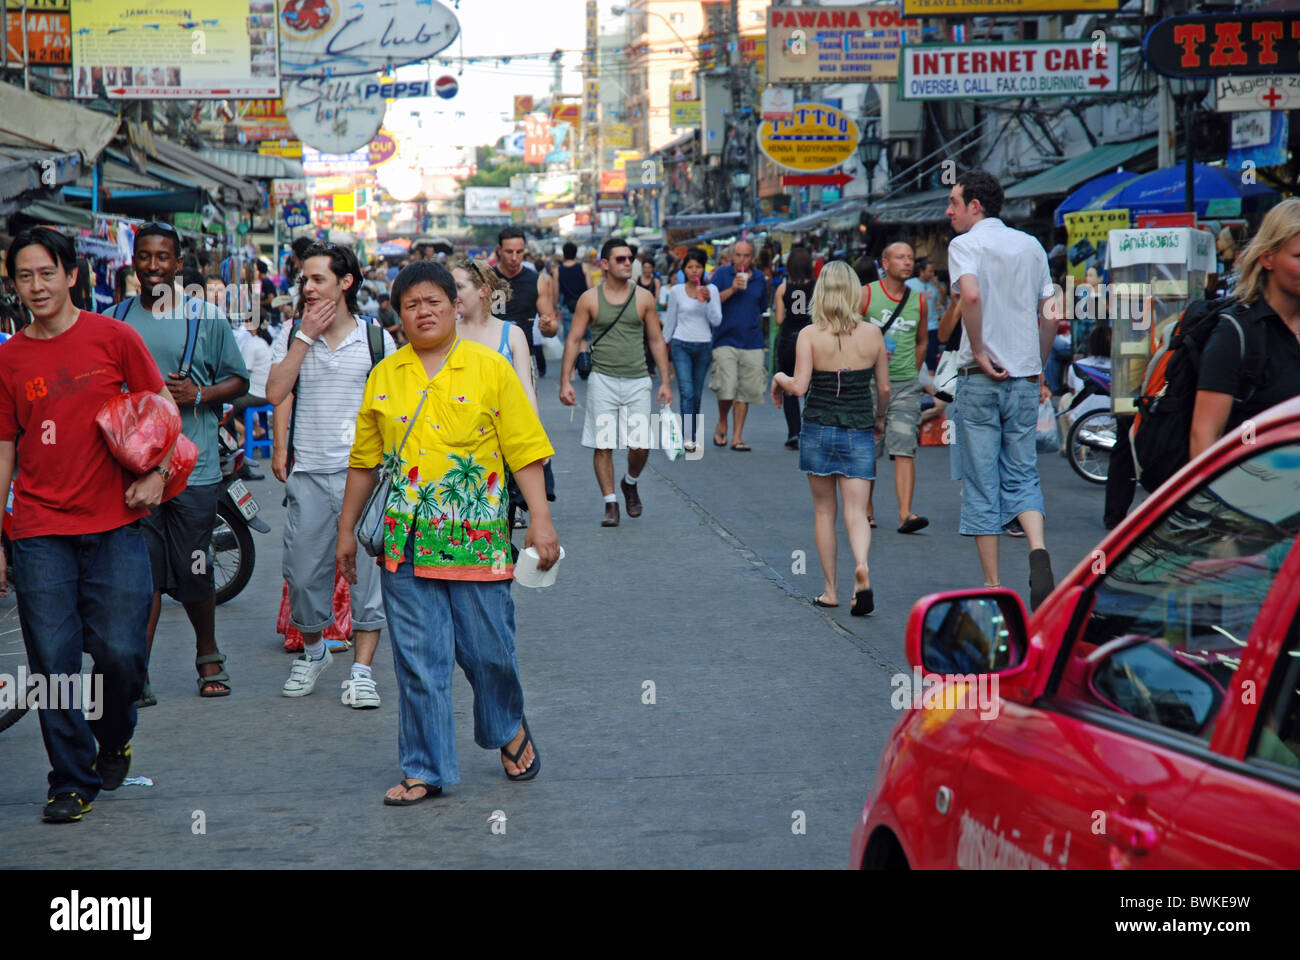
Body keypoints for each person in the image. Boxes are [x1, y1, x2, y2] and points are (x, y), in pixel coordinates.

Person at [336, 260, 560, 804]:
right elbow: (366, 461)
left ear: (454, 304)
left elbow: (524, 449)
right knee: (419, 659)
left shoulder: (489, 368)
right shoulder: (385, 376)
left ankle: (506, 725)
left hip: (476, 539)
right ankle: (425, 768)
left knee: (489, 653)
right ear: (397, 315)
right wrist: (346, 534)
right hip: (404, 542)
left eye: (433, 301)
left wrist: (541, 520)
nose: (424, 312)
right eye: (411, 305)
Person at [0, 227, 175, 822]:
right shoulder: (9, 358)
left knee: (121, 654)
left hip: (115, 524)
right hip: (39, 529)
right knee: (54, 661)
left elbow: (161, 409)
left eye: (46, 272)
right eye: (24, 276)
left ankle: (115, 735)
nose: (36, 286)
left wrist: (157, 476)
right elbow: (3, 449)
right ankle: (70, 779)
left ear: (72, 275)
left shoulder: (114, 337)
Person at [117, 221, 249, 704]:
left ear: (177, 263)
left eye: (163, 257)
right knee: (143, 575)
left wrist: (201, 394)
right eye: (145, 256)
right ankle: (138, 671)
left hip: (192, 471)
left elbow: (239, 381)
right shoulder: (114, 320)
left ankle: (208, 654)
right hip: (132, 471)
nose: (153, 266)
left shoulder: (205, 317)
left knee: (196, 568)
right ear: (134, 260)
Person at [266, 243, 397, 708]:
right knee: (302, 577)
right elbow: (276, 391)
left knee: (364, 581)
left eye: (317, 279)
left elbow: (394, 408)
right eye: (304, 280)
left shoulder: (377, 339)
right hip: (310, 475)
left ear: (345, 283)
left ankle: (362, 672)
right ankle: (315, 650)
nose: (307, 287)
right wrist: (304, 336)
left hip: (364, 477)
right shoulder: (291, 334)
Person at [945, 170, 1057, 608]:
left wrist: (978, 348)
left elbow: (969, 297)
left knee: (980, 481)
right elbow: (1051, 311)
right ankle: (1037, 550)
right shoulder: (1031, 245)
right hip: (1024, 378)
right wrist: (1037, 365)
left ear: (977, 206)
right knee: (1023, 472)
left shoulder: (965, 245)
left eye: (955, 202)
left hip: (979, 379)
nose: (949, 211)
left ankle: (992, 588)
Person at [770, 261, 890, 616]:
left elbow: (799, 387)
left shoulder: (810, 334)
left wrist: (778, 376)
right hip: (858, 427)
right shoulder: (873, 334)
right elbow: (883, 388)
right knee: (856, 512)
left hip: (819, 426)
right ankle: (863, 566)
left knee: (824, 511)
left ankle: (831, 590)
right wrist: (879, 418)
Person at [559, 237, 672, 526]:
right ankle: (610, 504)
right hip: (603, 379)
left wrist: (665, 381)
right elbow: (573, 339)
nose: (627, 263)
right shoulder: (590, 299)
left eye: (629, 258)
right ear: (605, 264)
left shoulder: (644, 297)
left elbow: (656, 339)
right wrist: (565, 381)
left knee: (641, 445)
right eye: (620, 259)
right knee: (604, 443)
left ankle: (630, 482)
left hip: (638, 379)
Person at [1190, 197, 1300, 461]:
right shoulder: (1236, 333)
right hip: (1252, 495)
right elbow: (1204, 434)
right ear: (1268, 258)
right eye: (1299, 256)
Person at [452, 256, 543, 536]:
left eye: (458, 286)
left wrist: (535, 440)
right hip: (455, 441)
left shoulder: (512, 334)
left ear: (482, 290)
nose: (451, 294)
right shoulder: (447, 333)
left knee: (497, 524)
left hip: (502, 443)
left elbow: (526, 390)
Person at [861, 242, 929, 535]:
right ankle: (866, 510)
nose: (907, 262)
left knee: (904, 446)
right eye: (900, 257)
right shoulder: (866, 295)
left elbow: (923, 339)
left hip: (904, 385)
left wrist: (911, 369)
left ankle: (905, 514)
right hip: (869, 383)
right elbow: (849, 331)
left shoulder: (920, 300)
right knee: (867, 448)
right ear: (885, 263)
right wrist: (869, 353)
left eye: (910, 258)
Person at [710, 239, 768, 451]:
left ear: (752, 258)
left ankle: (737, 436)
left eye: (746, 256)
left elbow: (762, 306)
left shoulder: (760, 278)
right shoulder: (722, 275)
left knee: (746, 391)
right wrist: (733, 289)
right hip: (725, 339)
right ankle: (723, 419)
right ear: (732, 256)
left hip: (752, 340)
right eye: (738, 255)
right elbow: (712, 302)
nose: (742, 259)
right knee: (727, 388)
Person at [662, 247, 721, 453]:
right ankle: (688, 437)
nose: (694, 271)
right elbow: (670, 321)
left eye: (698, 267)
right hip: (681, 344)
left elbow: (716, 320)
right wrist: (662, 346)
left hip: (703, 345)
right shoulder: (677, 291)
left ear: (704, 269)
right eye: (690, 267)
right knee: (686, 391)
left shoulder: (711, 290)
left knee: (696, 394)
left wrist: (709, 300)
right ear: (684, 269)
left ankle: (691, 432)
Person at [492, 227, 559, 378]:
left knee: (526, 402)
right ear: (499, 250)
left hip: (524, 357)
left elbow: (552, 327)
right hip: (489, 358)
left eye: (520, 252)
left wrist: (547, 325)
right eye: (509, 252)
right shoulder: (486, 278)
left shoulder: (537, 280)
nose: (515, 257)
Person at [773, 245, 815, 449]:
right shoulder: (817, 287)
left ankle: (793, 432)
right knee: (811, 387)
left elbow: (779, 319)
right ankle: (811, 430)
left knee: (789, 387)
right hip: (812, 340)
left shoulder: (783, 288)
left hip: (789, 340)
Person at [907, 257, 942, 371]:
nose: (932, 274)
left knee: (931, 356)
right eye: (930, 271)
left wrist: (938, 286)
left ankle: (930, 383)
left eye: (933, 271)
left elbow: (943, 302)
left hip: (932, 325)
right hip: (915, 324)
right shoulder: (909, 284)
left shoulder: (935, 285)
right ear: (922, 271)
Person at [556, 240, 589, 337]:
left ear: (564, 254)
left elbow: (555, 292)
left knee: (570, 339)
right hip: (584, 307)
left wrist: (556, 309)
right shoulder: (583, 267)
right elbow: (590, 288)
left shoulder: (558, 271)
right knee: (586, 339)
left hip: (567, 308)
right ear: (575, 254)